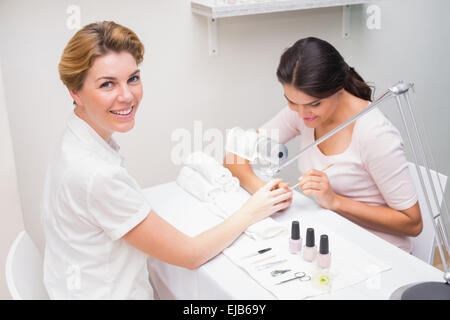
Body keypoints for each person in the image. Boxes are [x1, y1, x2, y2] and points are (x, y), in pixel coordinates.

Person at [42, 21, 292, 299]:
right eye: (107, 84)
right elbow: (190, 255)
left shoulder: (75, 138)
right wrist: (251, 210)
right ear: (75, 92)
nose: (127, 96)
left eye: (133, 78)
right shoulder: (96, 174)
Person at [224, 37, 422, 253]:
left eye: (314, 104)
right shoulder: (303, 113)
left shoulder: (375, 134)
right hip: (333, 238)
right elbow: (234, 153)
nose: (301, 114)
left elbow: (412, 223)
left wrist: (335, 201)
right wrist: (264, 190)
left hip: (379, 253)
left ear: (338, 90)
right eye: (291, 102)